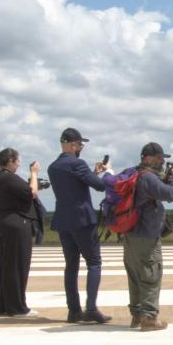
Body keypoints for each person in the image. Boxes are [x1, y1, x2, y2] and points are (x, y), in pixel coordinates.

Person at [48, 128, 112, 324]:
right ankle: (91, 308)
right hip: (82, 220)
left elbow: (77, 185)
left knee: (71, 266)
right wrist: (106, 172)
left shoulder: (53, 167)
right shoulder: (77, 163)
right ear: (73, 144)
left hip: (63, 220)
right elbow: (100, 186)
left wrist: (93, 173)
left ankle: (74, 310)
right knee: (94, 262)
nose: (81, 148)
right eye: (80, 145)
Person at [123, 142, 173, 331]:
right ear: (147, 158)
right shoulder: (148, 178)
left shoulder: (131, 172)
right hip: (146, 234)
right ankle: (149, 318)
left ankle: (137, 315)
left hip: (129, 233)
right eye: (158, 158)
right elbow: (170, 194)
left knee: (135, 275)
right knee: (151, 275)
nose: (161, 162)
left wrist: (168, 177)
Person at [0, 148, 40, 317]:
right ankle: (17, 307)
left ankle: (2, 305)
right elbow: (32, 192)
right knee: (17, 266)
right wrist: (34, 174)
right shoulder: (10, 178)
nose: (19, 163)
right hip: (17, 224)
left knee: (3, 266)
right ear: (10, 161)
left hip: (1, 222)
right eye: (17, 160)